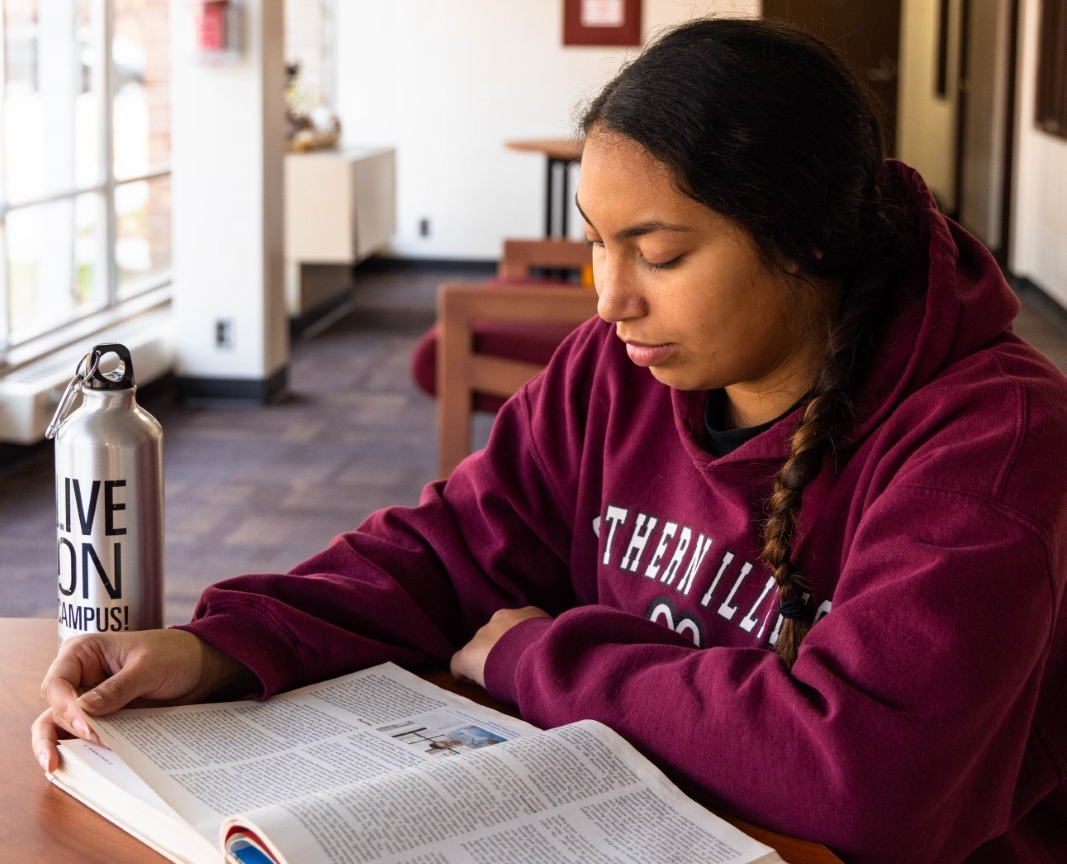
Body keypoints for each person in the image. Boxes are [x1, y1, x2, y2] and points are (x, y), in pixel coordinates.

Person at [34, 18, 1067, 864]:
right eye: (594, 241)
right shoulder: (608, 370)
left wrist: (536, 656)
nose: (609, 297)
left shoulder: (988, 441)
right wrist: (220, 644)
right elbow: (447, 554)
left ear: (805, 239)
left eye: (656, 254)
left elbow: (868, 778)